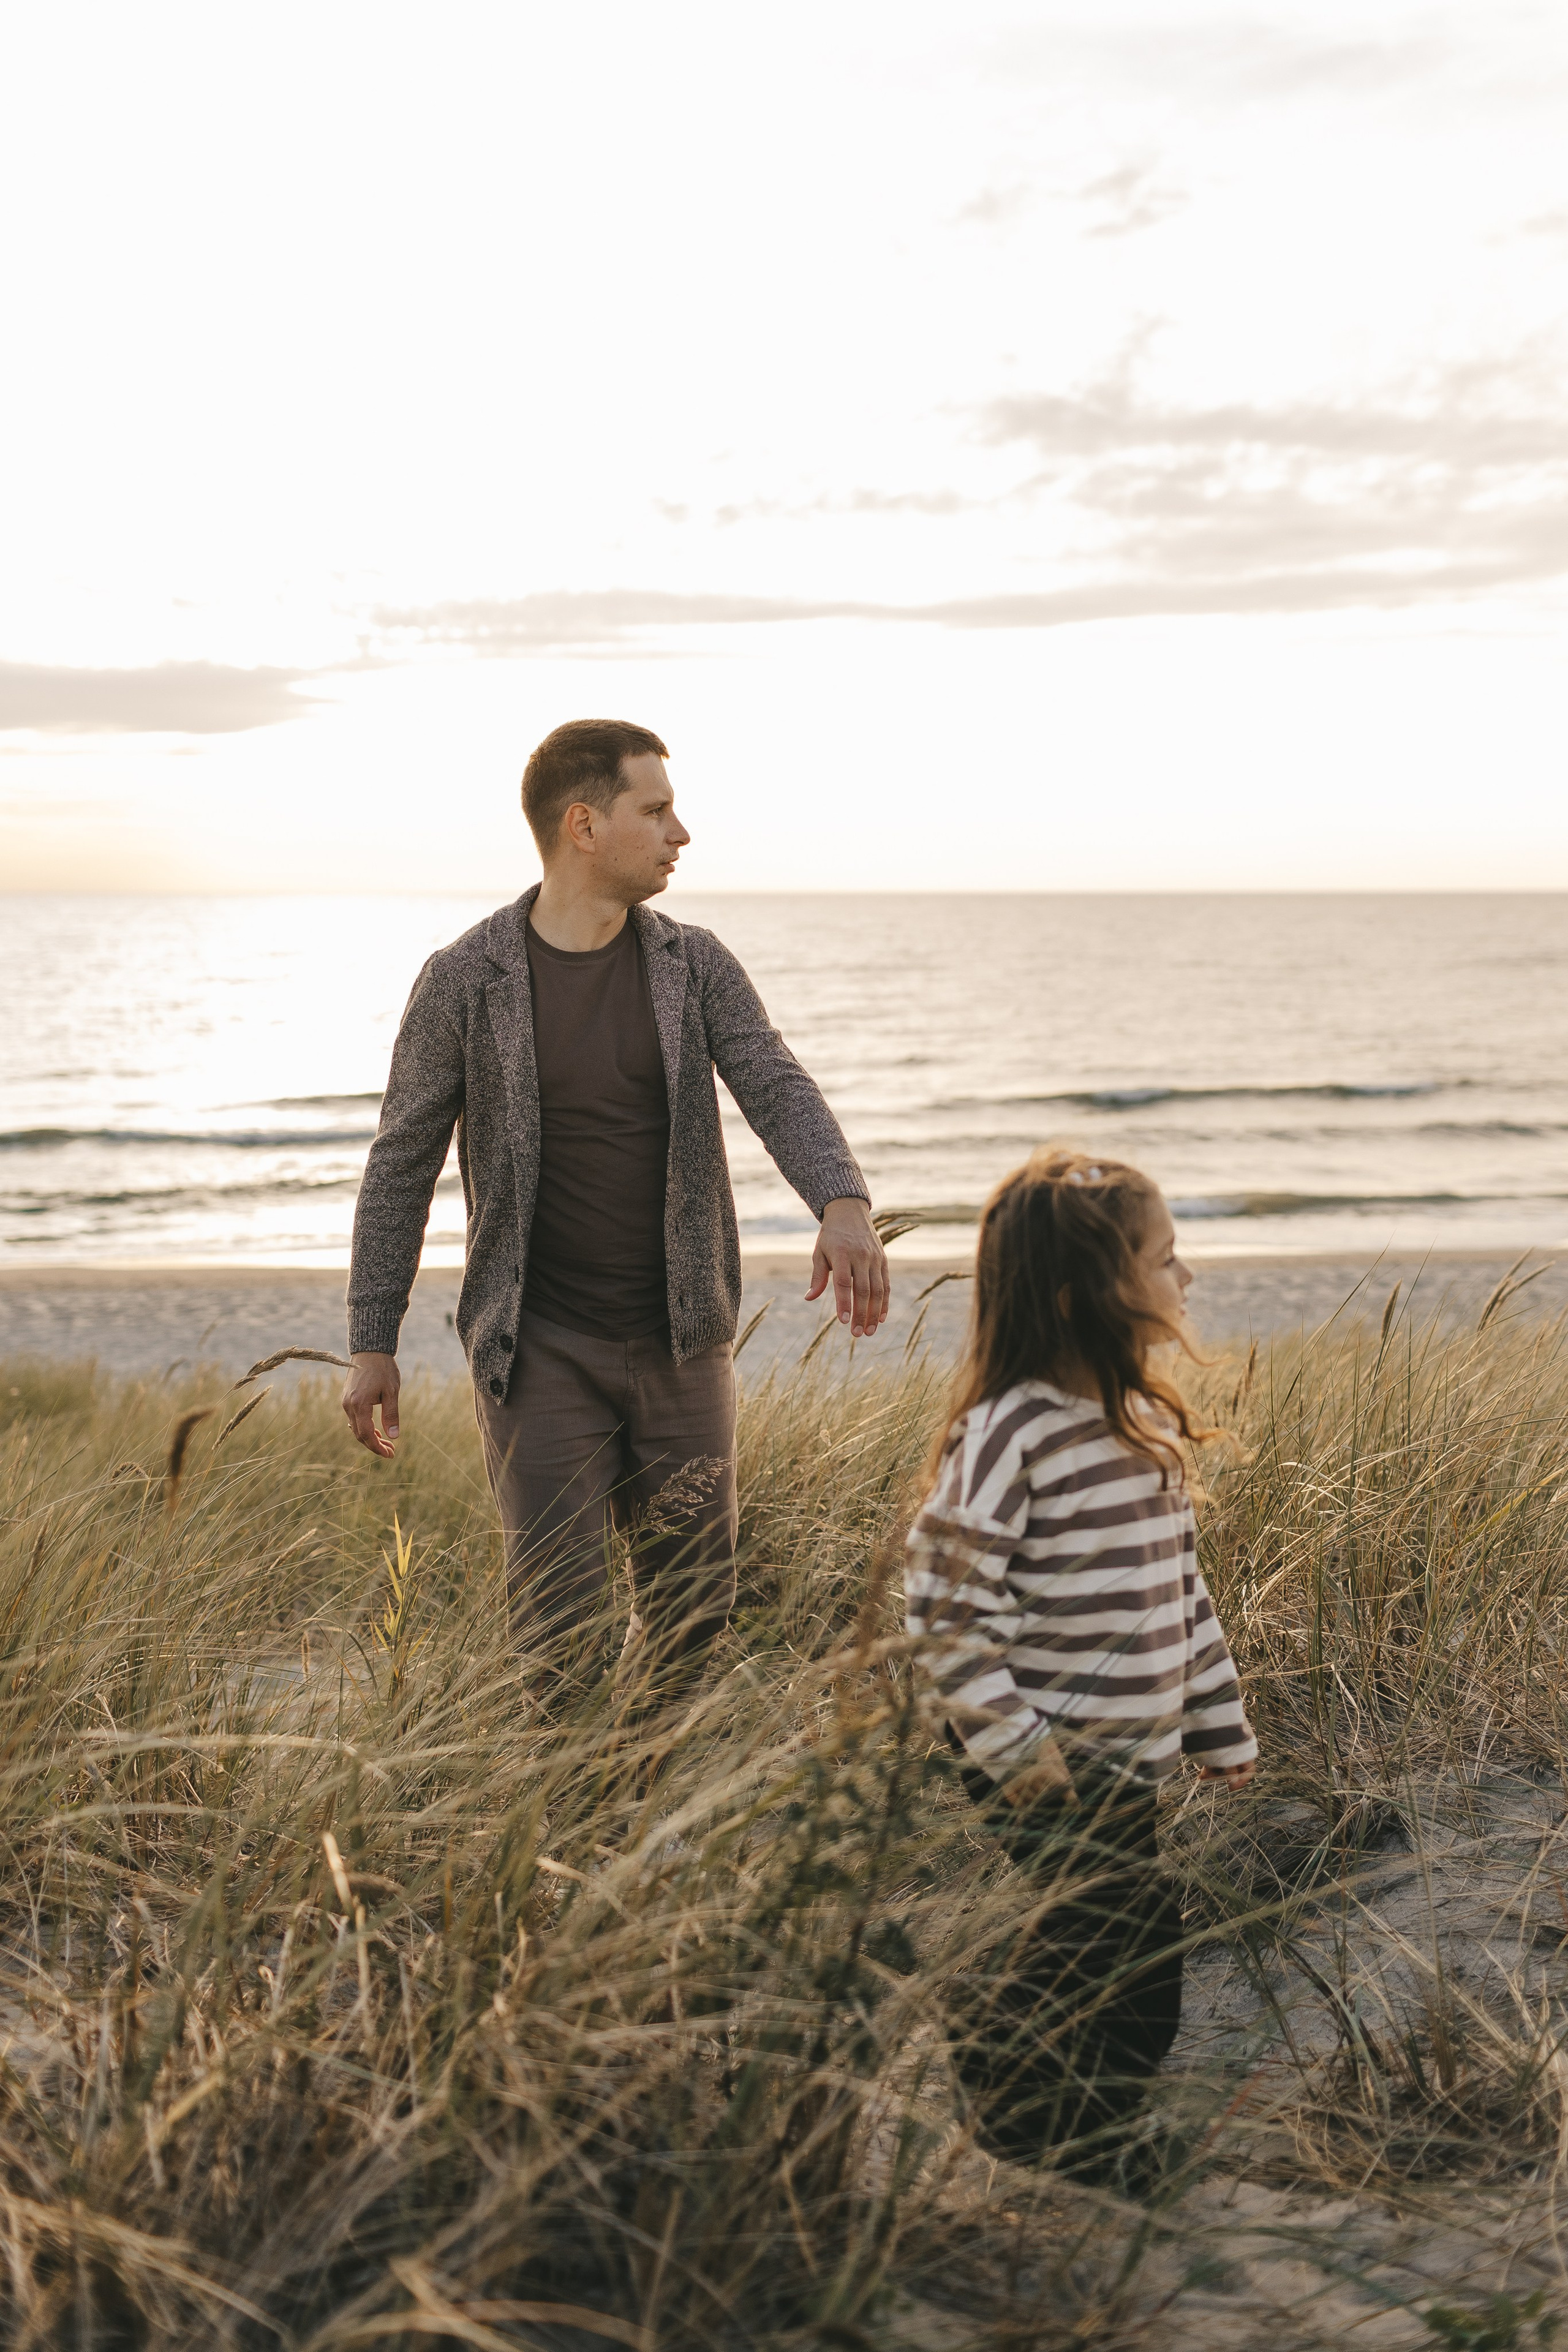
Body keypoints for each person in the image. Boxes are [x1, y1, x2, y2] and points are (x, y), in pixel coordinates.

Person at [342, 718, 889, 1692]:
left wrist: (841, 1200)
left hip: (684, 1339)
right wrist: (371, 1335)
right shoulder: (466, 980)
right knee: (560, 1631)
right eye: (658, 809)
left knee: (691, 1616)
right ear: (584, 825)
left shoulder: (695, 964)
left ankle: (658, 1811)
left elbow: (773, 1079)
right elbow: (401, 1163)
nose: (682, 834)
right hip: (539, 1345)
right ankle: (575, 1829)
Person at [904, 1147, 1255, 2187]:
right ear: (1080, 1297)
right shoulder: (1010, 1433)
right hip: (1039, 1745)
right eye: (1163, 1258)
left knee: (1105, 1936)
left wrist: (1217, 1723)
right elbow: (944, 1603)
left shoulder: (1141, 1430)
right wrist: (1012, 1744)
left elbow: (1179, 1596)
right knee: (1128, 1937)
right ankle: (1039, 2120)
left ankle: (1037, 2084)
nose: (1183, 1279)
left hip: (1127, 1750)